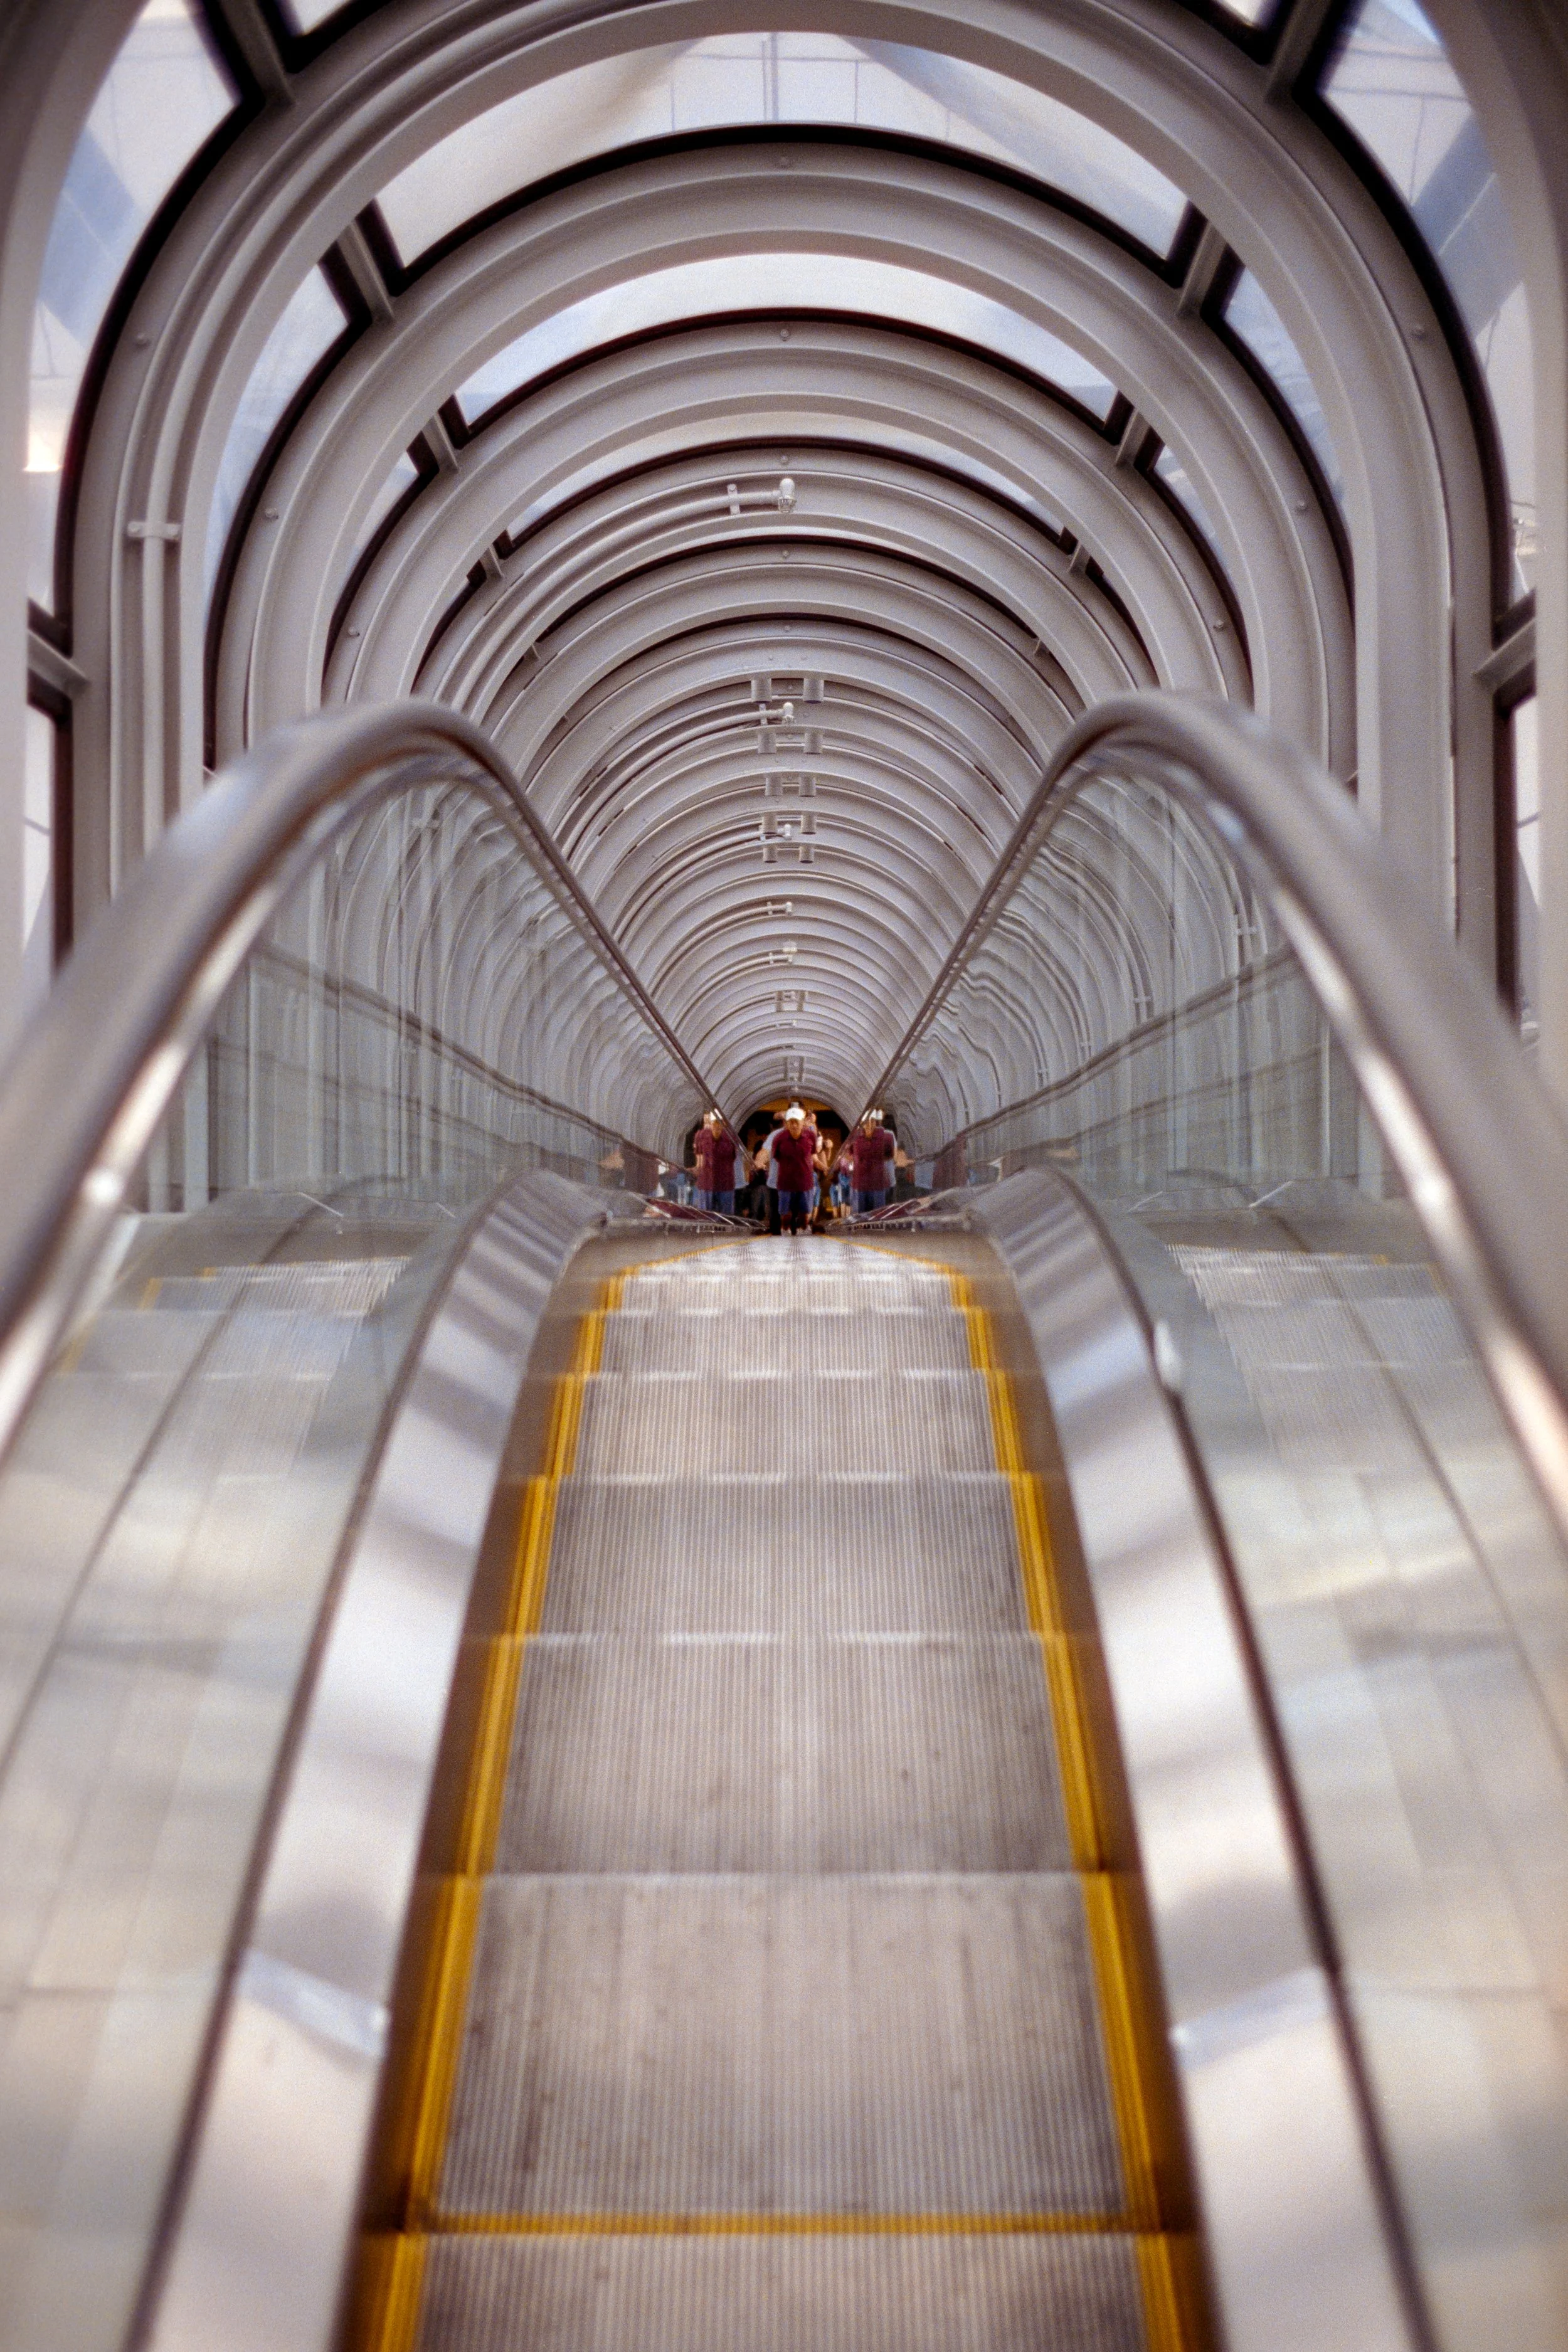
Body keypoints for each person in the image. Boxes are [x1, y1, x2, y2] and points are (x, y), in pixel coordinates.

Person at [768, 1103, 818, 1235]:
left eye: (797, 1122)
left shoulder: (811, 1136)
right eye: (791, 1122)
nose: (794, 1125)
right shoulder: (779, 1138)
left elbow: (813, 1153)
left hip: (805, 1181)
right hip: (786, 1181)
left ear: (802, 1122)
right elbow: (776, 1156)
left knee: (805, 1211)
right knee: (785, 1212)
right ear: (786, 1123)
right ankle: (785, 1229)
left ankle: (804, 1229)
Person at [849, 1110, 896, 1214]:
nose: (869, 1125)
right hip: (863, 1185)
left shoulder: (886, 1136)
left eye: (872, 1121)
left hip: (874, 1184)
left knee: (874, 1216)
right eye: (867, 1122)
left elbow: (890, 1155)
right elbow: (850, 1154)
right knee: (862, 1217)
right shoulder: (855, 1137)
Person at [692, 1108, 738, 1214]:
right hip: (706, 1184)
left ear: (724, 1123)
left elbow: (733, 1157)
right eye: (714, 1123)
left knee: (726, 1218)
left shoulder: (731, 1136)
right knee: (706, 1217)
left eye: (719, 1123)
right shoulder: (701, 1135)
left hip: (725, 1185)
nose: (716, 1126)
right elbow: (699, 1160)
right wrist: (697, 1171)